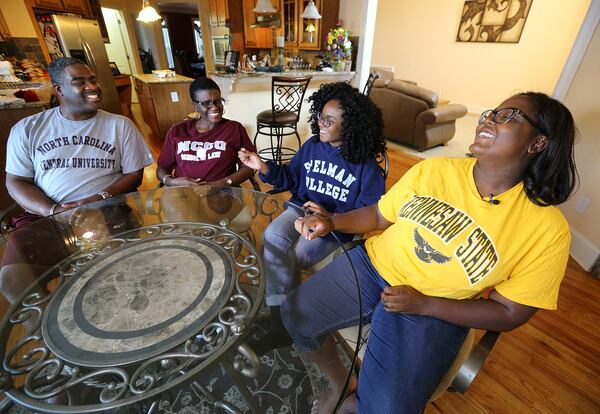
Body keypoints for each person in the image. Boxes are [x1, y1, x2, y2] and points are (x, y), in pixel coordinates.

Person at [285, 92, 578, 414]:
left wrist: (425, 304)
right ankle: (341, 385)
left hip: (434, 308)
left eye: (508, 116)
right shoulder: (435, 170)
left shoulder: (547, 230)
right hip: (372, 267)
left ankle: (357, 403)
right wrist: (332, 222)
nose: (488, 118)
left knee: (388, 409)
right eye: (491, 112)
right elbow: (382, 216)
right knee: (294, 316)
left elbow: (510, 313)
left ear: (537, 143)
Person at [238, 82, 387, 353]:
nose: (320, 124)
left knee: (291, 256)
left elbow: (370, 212)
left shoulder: (366, 167)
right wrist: (263, 166)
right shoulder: (312, 146)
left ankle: (283, 318)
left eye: (329, 120)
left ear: (350, 125)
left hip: (334, 226)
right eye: (320, 116)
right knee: (272, 238)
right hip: (300, 209)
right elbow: (290, 179)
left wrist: (331, 217)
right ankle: (280, 322)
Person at [2, 56, 153, 306]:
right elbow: (16, 181)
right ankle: (47, 332)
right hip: (44, 215)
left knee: (104, 274)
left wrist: (98, 198)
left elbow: (134, 175)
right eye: (79, 82)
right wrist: (53, 211)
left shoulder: (119, 125)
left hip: (105, 210)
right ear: (59, 89)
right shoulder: (27, 129)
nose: (92, 87)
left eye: (92, 80)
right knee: (12, 279)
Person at [156, 77, 256, 188]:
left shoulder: (234, 129)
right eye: (206, 103)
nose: (214, 107)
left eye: (218, 101)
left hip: (223, 194)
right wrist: (171, 182)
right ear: (195, 106)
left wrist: (219, 184)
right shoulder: (178, 131)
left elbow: (249, 167)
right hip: (184, 195)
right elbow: (162, 168)